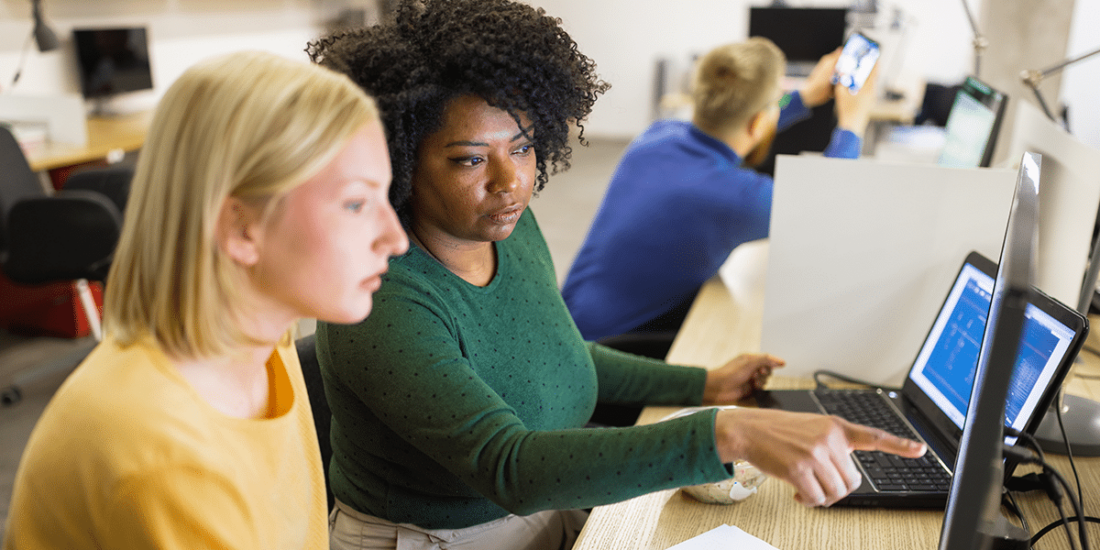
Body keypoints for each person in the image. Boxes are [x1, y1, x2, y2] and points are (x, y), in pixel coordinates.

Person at [308, 2, 923, 549]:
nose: (510, 182)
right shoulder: (381, 296)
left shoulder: (506, 225)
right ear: (398, 156)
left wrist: (703, 384)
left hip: (535, 507)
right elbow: (509, 466)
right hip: (441, 534)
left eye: (522, 148)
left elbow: (560, 355)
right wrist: (726, 434)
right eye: (471, 159)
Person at [2, 51, 408, 549]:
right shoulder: (162, 460)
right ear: (239, 226)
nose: (395, 237)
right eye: (356, 203)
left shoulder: (264, 339)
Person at [561, 37, 879, 347]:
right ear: (758, 122)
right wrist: (852, 123)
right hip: (603, 353)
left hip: (568, 322)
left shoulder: (658, 134)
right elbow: (831, 199)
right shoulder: (737, 199)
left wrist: (804, 96)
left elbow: (739, 123)